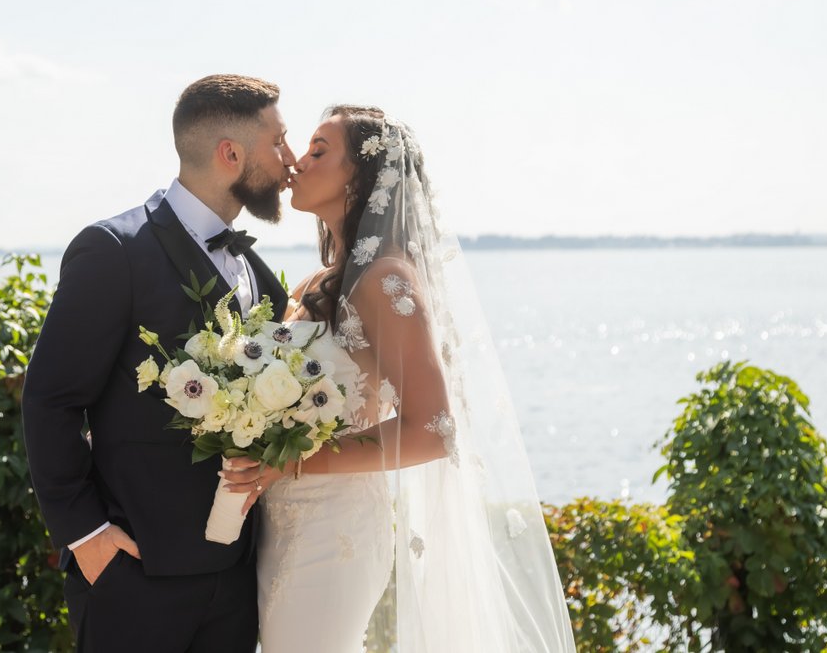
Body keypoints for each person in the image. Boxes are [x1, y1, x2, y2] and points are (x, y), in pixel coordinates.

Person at [220, 105, 577, 653]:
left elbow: (432, 431)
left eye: (318, 151)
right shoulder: (317, 282)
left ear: (360, 178)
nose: (297, 163)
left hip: (332, 532)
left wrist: (288, 460)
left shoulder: (385, 278)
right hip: (281, 524)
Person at [22, 73, 296, 652]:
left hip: (237, 576)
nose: (289, 159)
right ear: (230, 154)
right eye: (278, 141)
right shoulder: (114, 251)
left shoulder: (260, 275)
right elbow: (51, 400)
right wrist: (88, 537)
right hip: (135, 575)